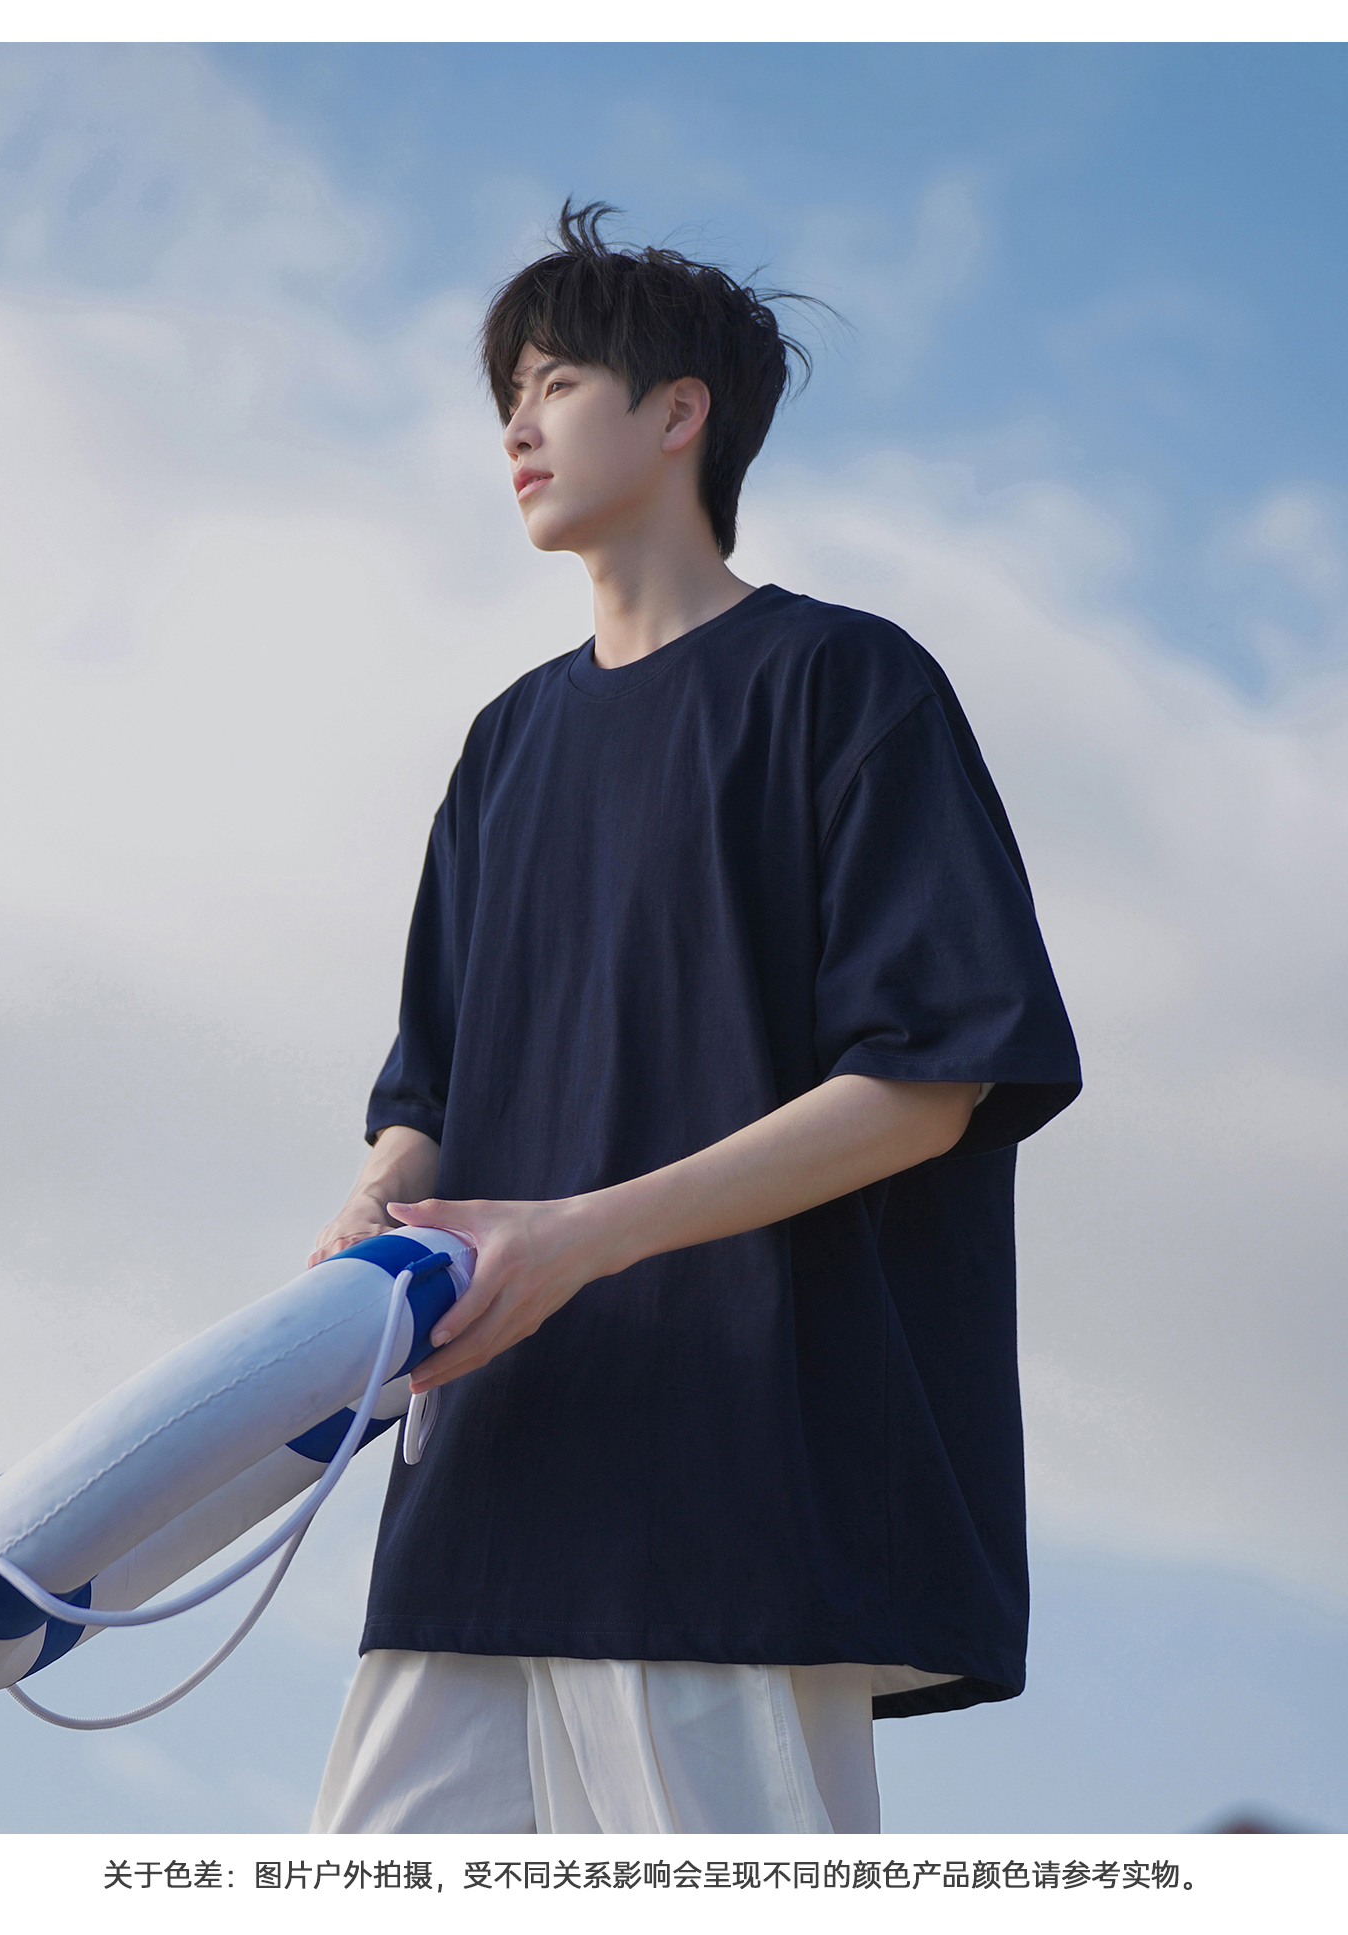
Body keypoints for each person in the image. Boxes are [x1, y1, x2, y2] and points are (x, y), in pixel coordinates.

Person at [306, 202, 1081, 1835]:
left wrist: (579, 1238)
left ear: (679, 413)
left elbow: (932, 1077)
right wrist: (371, 1214)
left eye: (555, 382)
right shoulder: (504, 745)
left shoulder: (845, 685)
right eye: (506, 395)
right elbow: (427, 1084)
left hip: (732, 1478)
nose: (515, 428)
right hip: (483, 1478)